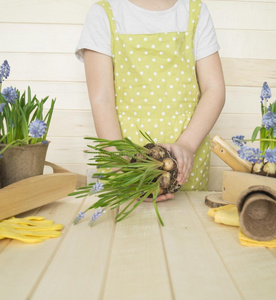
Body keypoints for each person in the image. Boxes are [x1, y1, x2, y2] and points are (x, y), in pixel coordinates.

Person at [75, 0, 225, 201]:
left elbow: (214, 89)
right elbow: (102, 99)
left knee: (187, 228)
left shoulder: (195, 11)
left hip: (186, 159)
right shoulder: (104, 13)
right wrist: (121, 169)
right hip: (125, 161)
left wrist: (187, 145)